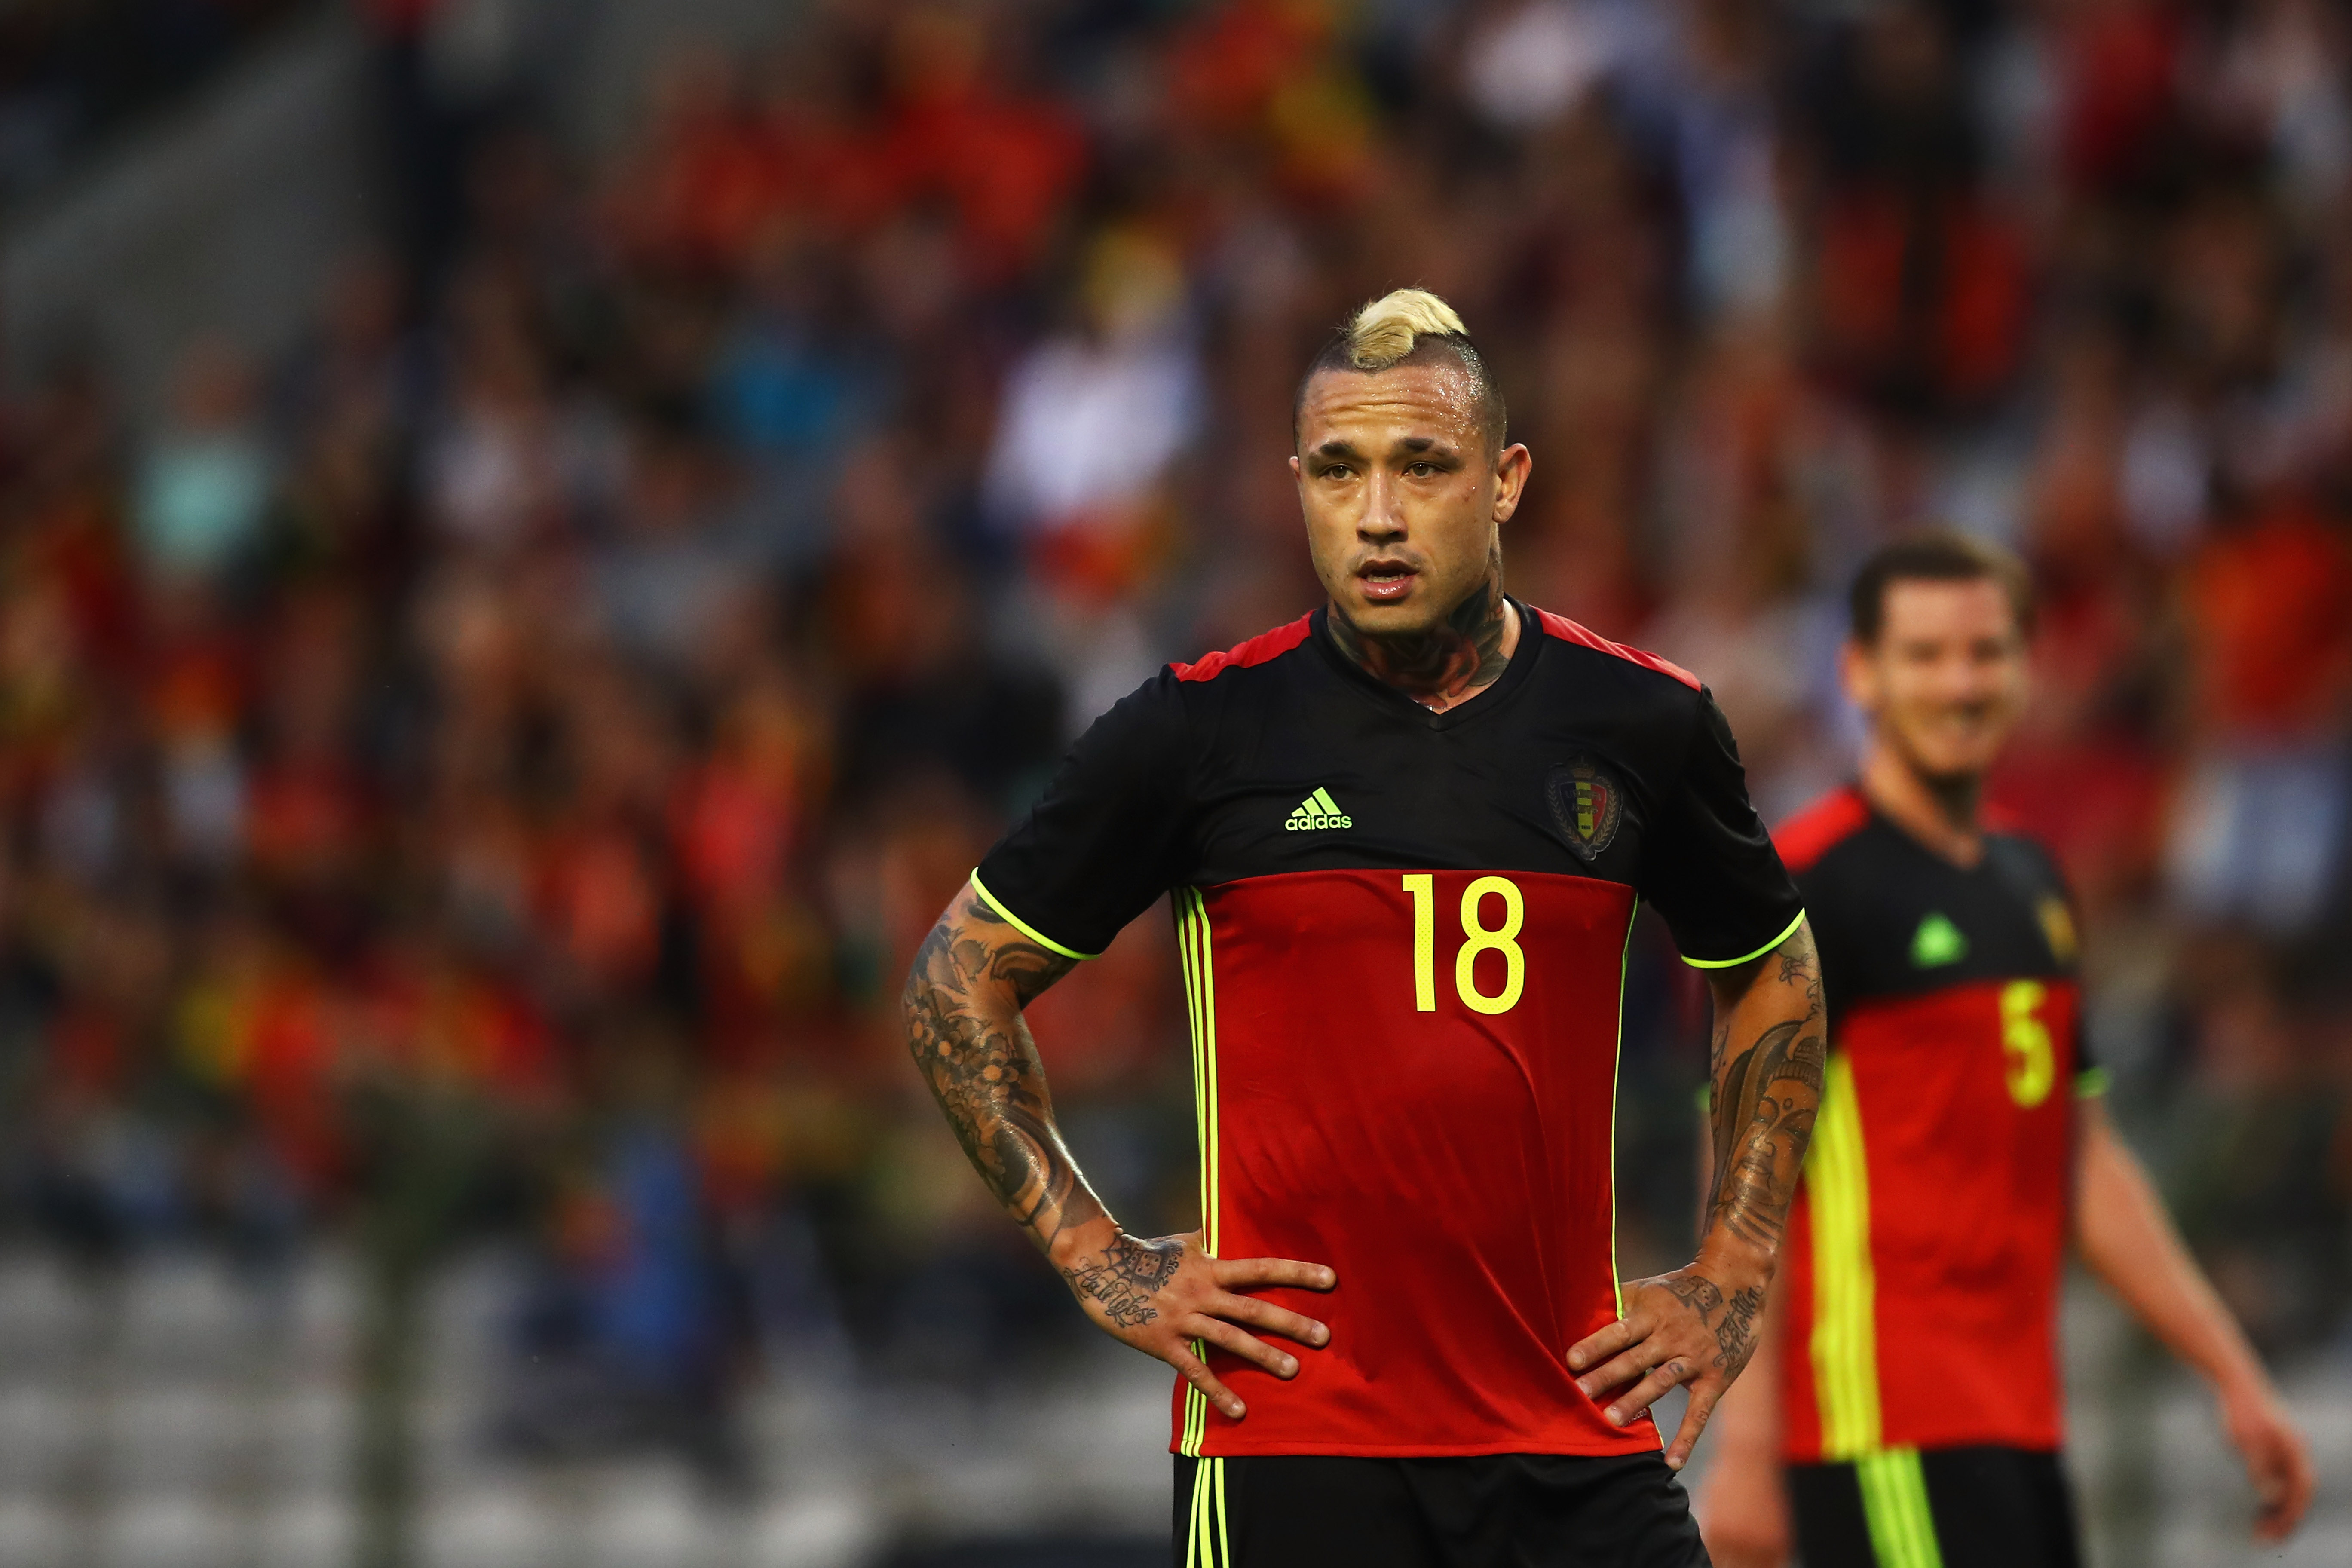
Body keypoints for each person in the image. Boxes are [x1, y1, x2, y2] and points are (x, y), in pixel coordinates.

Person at [903, 288, 1827, 1567]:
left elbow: (1773, 974)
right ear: (1296, 486)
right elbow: (955, 982)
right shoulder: (1200, 734)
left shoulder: (1642, 725)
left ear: (1504, 481)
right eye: (1339, 471)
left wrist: (1734, 1268)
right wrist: (1098, 1254)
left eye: (1422, 467)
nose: (1378, 515)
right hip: (1294, 1447)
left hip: (1571, 1432)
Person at [1695, 532, 2316, 1568]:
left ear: (2026, 669)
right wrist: (1748, 1445)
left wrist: (2233, 1373)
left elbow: (2085, 1160)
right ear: (1861, 673)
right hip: (1878, 1422)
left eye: (1985, 653)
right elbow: (1749, 1175)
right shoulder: (1812, 883)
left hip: (2019, 1426)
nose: (1960, 682)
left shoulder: (2035, 883)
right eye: (1926, 655)